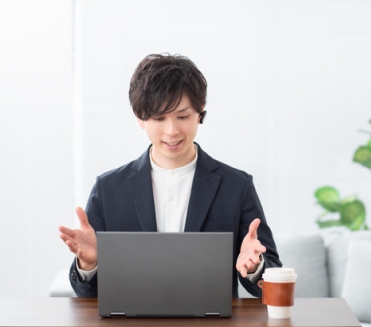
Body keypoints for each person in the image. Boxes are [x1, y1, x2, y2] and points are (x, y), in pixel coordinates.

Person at [58, 53, 281, 298]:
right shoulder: (109, 189)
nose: (172, 131)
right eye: (158, 118)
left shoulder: (236, 186)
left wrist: (255, 266)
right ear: (140, 118)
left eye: (183, 116)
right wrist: (89, 265)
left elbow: (272, 280)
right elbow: (86, 294)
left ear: (200, 112)